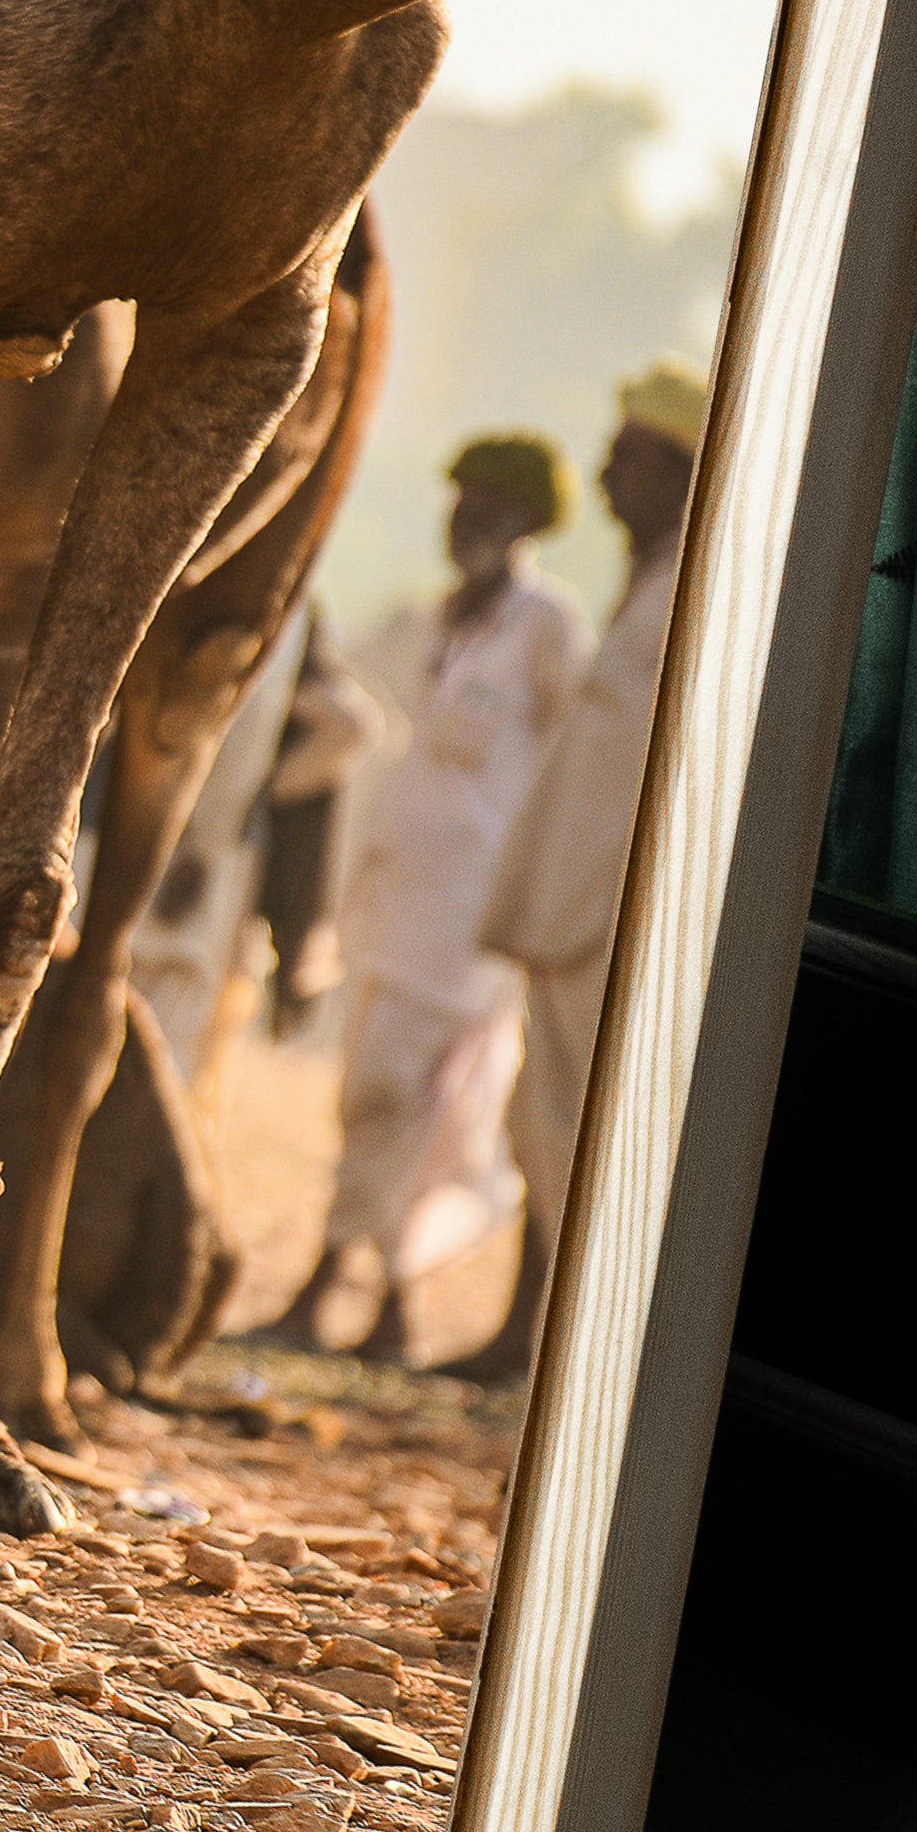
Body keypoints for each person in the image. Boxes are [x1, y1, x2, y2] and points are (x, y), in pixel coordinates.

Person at [255, 433, 586, 1362]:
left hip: (472, 920)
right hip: (396, 897)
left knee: (395, 1094)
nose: (465, 521)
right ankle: (387, 1305)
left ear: (525, 524)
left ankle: (326, 1285)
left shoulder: (546, 627)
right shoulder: (444, 618)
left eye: (486, 506)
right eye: (459, 501)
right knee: (392, 1101)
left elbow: (570, 762)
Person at [453, 359, 706, 1383]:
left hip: (608, 917)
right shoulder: (647, 584)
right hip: (568, 914)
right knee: (542, 1122)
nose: (606, 478)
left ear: (685, 472)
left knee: (581, 1132)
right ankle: (538, 1340)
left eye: (628, 458)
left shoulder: (693, 589)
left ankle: (579, 1355)